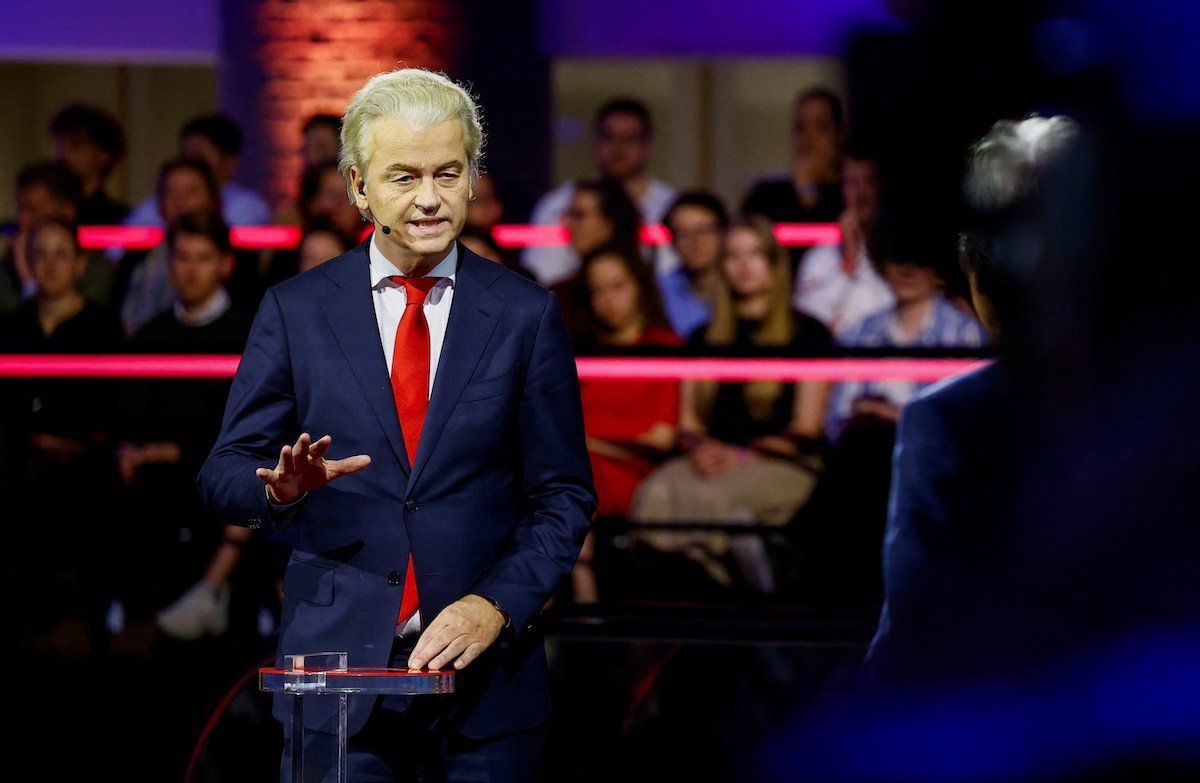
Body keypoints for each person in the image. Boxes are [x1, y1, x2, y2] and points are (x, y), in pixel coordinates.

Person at [196, 67, 596, 782]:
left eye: (448, 172)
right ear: (358, 186)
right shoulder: (296, 309)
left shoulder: (525, 314)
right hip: (336, 677)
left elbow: (563, 494)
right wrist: (281, 491)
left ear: (474, 179)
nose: (429, 198)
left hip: (488, 682)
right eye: (404, 176)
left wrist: (496, 604)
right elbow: (224, 473)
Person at [630, 218, 831, 595]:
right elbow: (688, 424)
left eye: (755, 254)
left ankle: (742, 611)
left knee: (712, 500)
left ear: (774, 262)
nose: (744, 265)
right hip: (709, 457)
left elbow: (806, 429)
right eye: (733, 255)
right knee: (654, 492)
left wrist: (738, 455)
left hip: (782, 462)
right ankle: (668, 614)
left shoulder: (809, 334)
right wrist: (701, 449)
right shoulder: (703, 337)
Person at [109, 212, 255, 641]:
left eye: (202, 258)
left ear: (225, 264)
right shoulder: (151, 334)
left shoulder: (248, 334)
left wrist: (175, 451)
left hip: (217, 469)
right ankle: (125, 612)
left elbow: (248, 425)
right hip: (155, 475)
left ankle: (213, 594)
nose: (190, 269)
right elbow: (127, 412)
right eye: (182, 257)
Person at [0, 219, 123, 642]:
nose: (49, 265)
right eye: (40, 254)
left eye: (60, 254)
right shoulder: (11, 327)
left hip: (84, 462)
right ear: (27, 264)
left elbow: (111, 411)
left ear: (80, 263)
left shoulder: (104, 327)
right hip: (18, 459)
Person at [522, 98, 675, 286]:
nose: (617, 148)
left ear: (647, 146)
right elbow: (540, 275)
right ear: (595, 142)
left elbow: (672, 278)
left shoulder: (670, 206)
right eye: (608, 137)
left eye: (629, 139)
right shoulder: (558, 204)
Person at [113, 157, 224, 336]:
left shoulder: (238, 259)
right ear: (159, 203)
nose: (180, 201)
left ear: (212, 199)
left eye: (191, 192)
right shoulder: (136, 257)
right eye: (171, 193)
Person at [792, 148, 894, 333]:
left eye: (870, 181)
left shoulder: (900, 254)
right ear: (842, 189)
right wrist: (849, 262)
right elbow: (809, 324)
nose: (862, 192)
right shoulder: (818, 257)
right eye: (853, 182)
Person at [124, 113, 271, 227]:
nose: (191, 166)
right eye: (185, 157)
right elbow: (116, 251)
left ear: (229, 164)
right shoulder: (156, 205)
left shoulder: (247, 207)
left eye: (199, 158)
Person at [741, 87, 845, 228]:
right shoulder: (765, 195)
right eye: (801, 127)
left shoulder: (851, 193)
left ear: (840, 134)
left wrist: (808, 192)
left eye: (822, 127)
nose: (809, 139)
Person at [656, 191, 727, 339]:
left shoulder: (743, 285)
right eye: (683, 233)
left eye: (704, 230)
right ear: (672, 242)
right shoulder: (658, 292)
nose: (695, 242)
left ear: (723, 233)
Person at [49, 103, 129, 226]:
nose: (63, 155)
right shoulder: (50, 215)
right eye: (60, 145)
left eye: (76, 145)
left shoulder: (119, 220)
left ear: (103, 156)